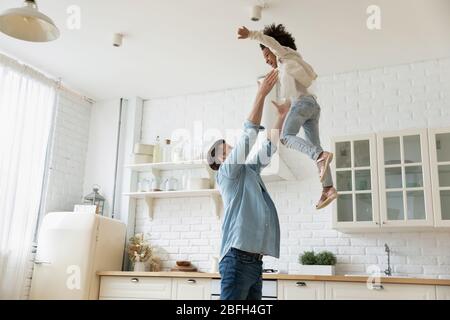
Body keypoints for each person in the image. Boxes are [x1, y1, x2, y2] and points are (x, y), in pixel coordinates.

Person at [238, 24, 337, 210]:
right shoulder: (289, 66)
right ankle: (328, 188)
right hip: (312, 106)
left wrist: (251, 34)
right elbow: (295, 92)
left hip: (303, 105)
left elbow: (269, 41)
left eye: (267, 55)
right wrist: (285, 105)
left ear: (276, 49)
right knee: (315, 146)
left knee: (285, 137)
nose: (267, 60)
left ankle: (320, 156)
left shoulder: (284, 55)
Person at [207, 70, 287, 300]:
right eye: (227, 149)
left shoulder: (249, 172)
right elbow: (248, 136)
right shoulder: (227, 174)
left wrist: (281, 116)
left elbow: (268, 147)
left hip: (254, 263)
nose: (231, 149)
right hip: (236, 260)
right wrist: (260, 94)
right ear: (220, 160)